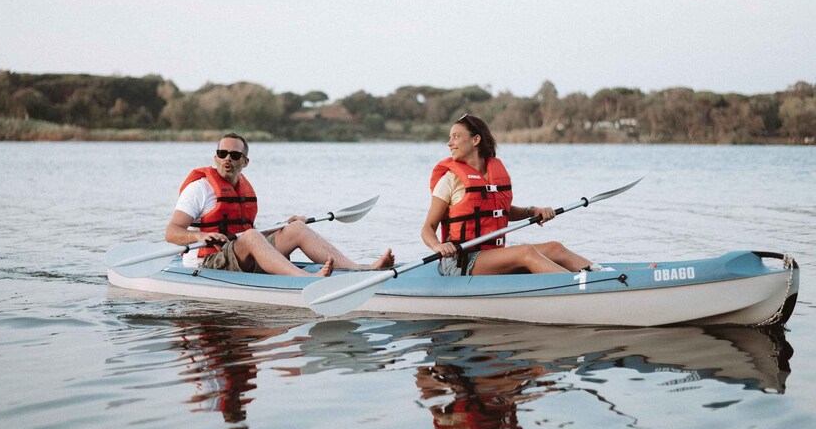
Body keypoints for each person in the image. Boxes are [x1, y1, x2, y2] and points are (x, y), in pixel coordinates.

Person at [166, 132, 394, 278]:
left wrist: (283, 225)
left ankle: (361, 270)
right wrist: (200, 237)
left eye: (235, 155)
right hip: (207, 262)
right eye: (222, 153)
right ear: (215, 158)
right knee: (254, 236)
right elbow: (172, 233)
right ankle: (305, 280)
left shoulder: (244, 188)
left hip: (239, 255)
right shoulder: (199, 189)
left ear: (245, 162)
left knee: (296, 228)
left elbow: (244, 235)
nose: (228, 159)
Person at [421, 114, 601, 276]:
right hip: (461, 261)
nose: (449, 143)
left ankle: (605, 276)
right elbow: (428, 228)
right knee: (525, 252)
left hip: (489, 255)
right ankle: (578, 286)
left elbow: (500, 211)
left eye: (456, 136)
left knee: (555, 248)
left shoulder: (493, 175)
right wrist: (439, 246)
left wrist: (531, 211)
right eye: (450, 137)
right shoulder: (449, 180)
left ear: (475, 140)